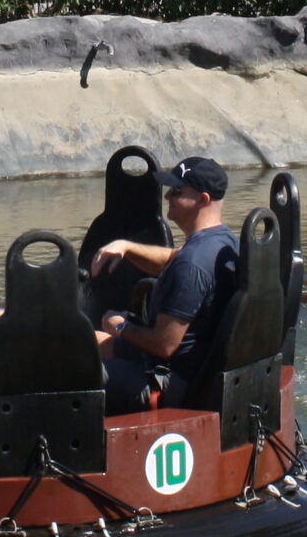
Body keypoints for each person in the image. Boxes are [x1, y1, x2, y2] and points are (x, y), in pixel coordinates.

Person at [95, 156, 240, 414]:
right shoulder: (222, 241)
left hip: (166, 381)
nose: (167, 197)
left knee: (65, 366)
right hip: (183, 366)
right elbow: (172, 258)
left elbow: (164, 345)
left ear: (202, 200)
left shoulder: (192, 264)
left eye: (176, 191)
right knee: (84, 341)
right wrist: (126, 247)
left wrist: (121, 326)